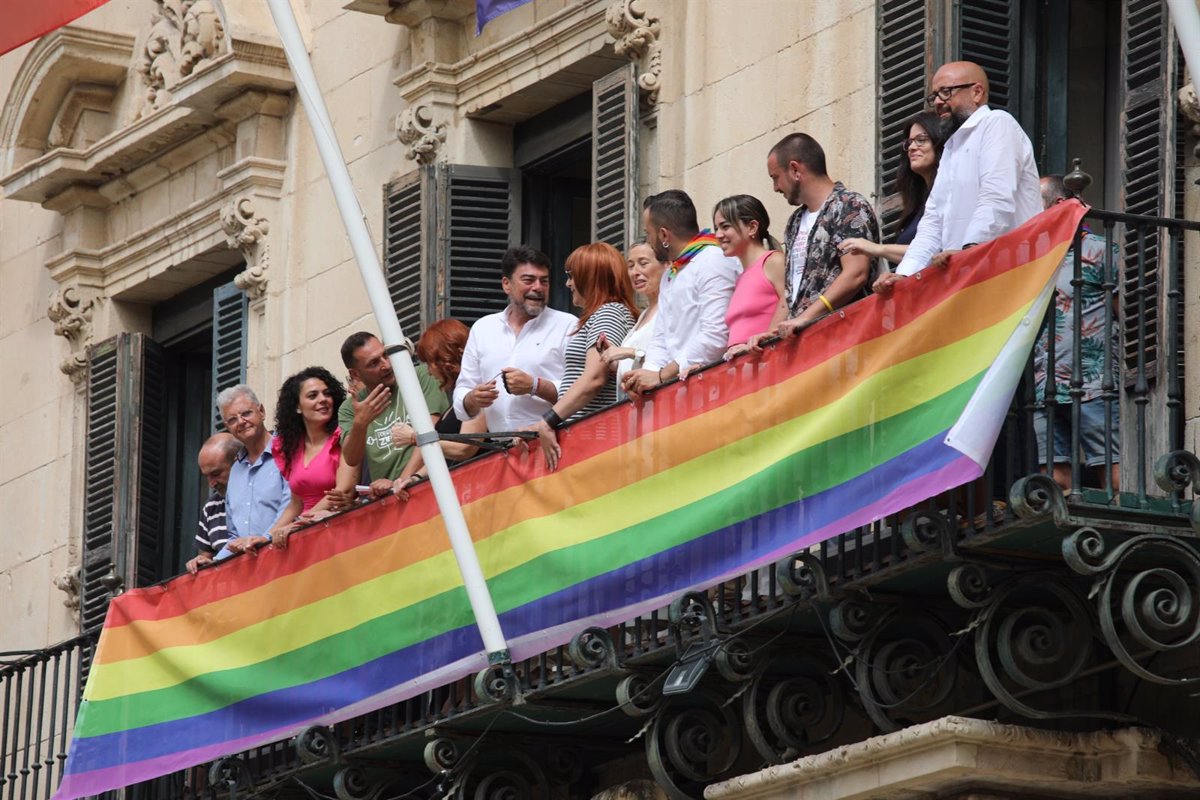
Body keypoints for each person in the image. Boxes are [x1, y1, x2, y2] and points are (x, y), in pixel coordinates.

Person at [875, 61, 1041, 292]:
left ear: (977, 92)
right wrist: (904, 273)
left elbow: (996, 197)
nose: (938, 102)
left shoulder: (997, 123)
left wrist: (970, 250)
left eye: (946, 92)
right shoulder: (952, 147)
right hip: (965, 278)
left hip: (1007, 277)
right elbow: (933, 222)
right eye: (934, 96)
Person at [749, 133, 880, 346]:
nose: (775, 188)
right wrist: (771, 335)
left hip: (847, 339)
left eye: (775, 177)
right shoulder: (794, 223)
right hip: (805, 348)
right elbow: (791, 291)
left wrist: (806, 317)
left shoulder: (848, 205)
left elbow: (856, 274)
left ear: (795, 170)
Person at [1033, 175, 1121, 491]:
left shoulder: (1100, 250)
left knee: (1109, 465)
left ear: (1058, 206)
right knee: (1055, 476)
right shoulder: (1033, 261)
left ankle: (1120, 526)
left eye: (1032, 204)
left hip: (1094, 381)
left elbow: (1125, 315)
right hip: (1045, 385)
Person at [621, 190, 741, 395]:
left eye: (648, 233)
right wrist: (645, 379)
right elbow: (661, 338)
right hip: (679, 394)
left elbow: (715, 336)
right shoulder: (670, 273)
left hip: (715, 390)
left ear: (664, 235)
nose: (648, 241)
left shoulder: (713, 260)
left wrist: (661, 376)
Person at [533, 243, 638, 469]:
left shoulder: (608, 313)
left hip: (594, 440)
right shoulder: (604, 314)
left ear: (590, 278)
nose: (568, 283)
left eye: (572, 276)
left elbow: (594, 378)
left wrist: (549, 420)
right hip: (588, 437)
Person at [453, 246, 577, 432]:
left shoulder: (568, 326)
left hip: (554, 444)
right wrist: (473, 398)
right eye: (528, 280)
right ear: (506, 284)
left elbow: (581, 390)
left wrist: (535, 386)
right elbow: (463, 389)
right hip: (501, 450)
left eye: (544, 281)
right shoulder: (483, 328)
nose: (537, 288)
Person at [337, 331, 447, 497]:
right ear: (355, 374)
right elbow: (351, 458)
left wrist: (400, 482)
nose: (386, 365)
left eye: (385, 355)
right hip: (390, 502)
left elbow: (431, 435)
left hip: (428, 484)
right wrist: (361, 422)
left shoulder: (421, 375)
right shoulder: (349, 407)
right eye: (374, 363)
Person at [839, 110, 946, 266]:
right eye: (909, 143)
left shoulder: (949, 195)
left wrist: (877, 249)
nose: (912, 148)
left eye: (921, 140)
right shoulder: (917, 204)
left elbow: (932, 251)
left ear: (939, 142)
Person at [392, 319, 489, 488]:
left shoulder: (476, 391)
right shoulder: (459, 399)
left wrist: (415, 438)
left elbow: (466, 448)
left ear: (444, 359)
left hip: (484, 485)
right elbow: (445, 456)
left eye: (429, 363)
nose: (429, 371)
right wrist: (415, 478)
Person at [269, 366, 358, 547]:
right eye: (313, 396)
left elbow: (343, 490)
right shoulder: (290, 445)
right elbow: (296, 503)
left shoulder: (343, 435)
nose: (323, 400)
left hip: (338, 532)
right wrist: (267, 537)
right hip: (303, 538)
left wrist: (297, 525)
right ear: (297, 407)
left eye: (327, 394)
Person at [216, 385, 291, 556]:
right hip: (252, 573)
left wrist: (264, 539)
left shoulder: (288, 452)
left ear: (262, 411)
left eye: (246, 413)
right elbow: (234, 536)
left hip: (286, 560)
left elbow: (292, 509)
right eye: (233, 420)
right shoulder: (235, 471)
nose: (241, 422)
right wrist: (213, 564)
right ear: (227, 427)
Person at [714, 195, 786, 360]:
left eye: (725, 226)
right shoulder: (740, 278)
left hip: (769, 364)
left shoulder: (773, 261)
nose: (718, 235)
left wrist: (767, 339)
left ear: (752, 227)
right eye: (716, 228)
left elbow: (789, 302)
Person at [599, 242, 667, 398]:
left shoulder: (670, 309)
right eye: (630, 266)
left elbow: (671, 358)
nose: (635, 272)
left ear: (666, 265)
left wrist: (628, 352)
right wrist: (614, 359)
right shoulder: (644, 314)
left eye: (643, 264)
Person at [186, 432, 241, 574]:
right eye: (207, 476)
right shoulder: (211, 507)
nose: (211, 484)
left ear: (238, 462)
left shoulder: (263, 497)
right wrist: (199, 563)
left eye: (216, 474)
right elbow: (206, 556)